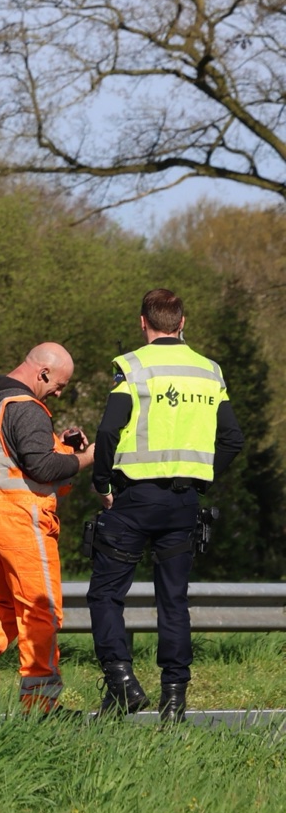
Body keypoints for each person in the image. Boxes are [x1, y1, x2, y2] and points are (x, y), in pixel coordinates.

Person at [87, 288, 243, 721]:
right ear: (183, 322)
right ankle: (174, 699)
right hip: (183, 503)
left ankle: (121, 681)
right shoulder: (209, 371)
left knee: (105, 594)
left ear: (143, 323)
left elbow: (107, 431)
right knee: (173, 601)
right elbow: (232, 438)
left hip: (134, 498)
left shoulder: (133, 366)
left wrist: (102, 483)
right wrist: (202, 477)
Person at [0, 343, 94, 719]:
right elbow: (42, 470)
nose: (60, 392)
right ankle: (41, 705)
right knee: (41, 610)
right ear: (42, 373)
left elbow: (14, 458)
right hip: (19, 523)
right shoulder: (28, 409)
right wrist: (88, 457)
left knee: (5, 602)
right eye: (59, 384)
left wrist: (61, 444)